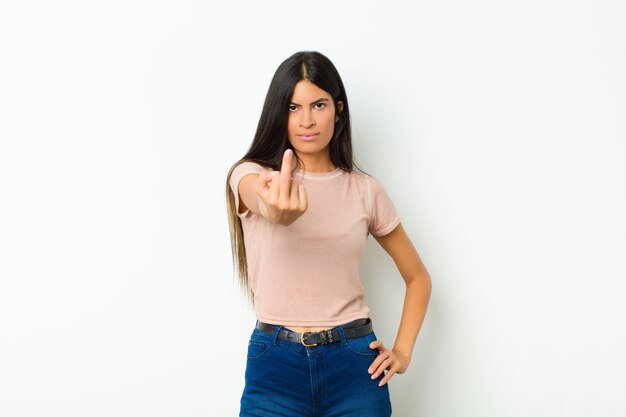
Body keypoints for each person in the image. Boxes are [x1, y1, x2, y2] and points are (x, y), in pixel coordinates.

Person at [225, 50, 432, 417]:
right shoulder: (250, 175)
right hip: (274, 367)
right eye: (292, 107)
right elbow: (264, 200)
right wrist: (277, 208)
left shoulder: (366, 190)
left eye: (318, 105)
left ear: (338, 109)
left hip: (353, 365)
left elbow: (418, 278)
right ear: (278, 113)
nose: (306, 120)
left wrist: (402, 352)